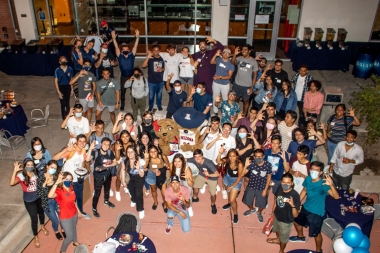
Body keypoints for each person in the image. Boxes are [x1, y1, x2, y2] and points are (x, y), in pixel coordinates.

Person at [289, 161, 339, 253]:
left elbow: (336, 197)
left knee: (316, 234)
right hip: (306, 207)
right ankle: (300, 237)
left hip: (316, 212)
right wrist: (296, 203)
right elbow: (304, 190)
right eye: (312, 169)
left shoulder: (324, 184)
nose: (313, 172)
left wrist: (331, 184)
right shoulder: (308, 179)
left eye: (316, 170)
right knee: (296, 222)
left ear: (320, 172)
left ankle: (319, 250)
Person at [10, 159, 48, 248]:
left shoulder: (36, 174)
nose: (30, 166)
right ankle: (35, 236)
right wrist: (15, 171)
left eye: (32, 165)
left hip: (38, 197)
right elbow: (12, 183)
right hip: (29, 200)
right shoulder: (21, 176)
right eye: (28, 165)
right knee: (34, 218)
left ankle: (42, 226)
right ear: (25, 166)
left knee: (41, 213)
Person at [52, 134, 91, 219]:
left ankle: (80, 211)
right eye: (80, 141)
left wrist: (83, 170)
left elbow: (83, 162)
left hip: (78, 178)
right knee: (68, 198)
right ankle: (68, 214)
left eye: (84, 141)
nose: (82, 143)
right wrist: (65, 150)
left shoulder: (83, 150)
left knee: (79, 196)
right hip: (68, 180)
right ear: (76, 141)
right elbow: (54, 158)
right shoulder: (71, 151)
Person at [48, 172, 82, 253]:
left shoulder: (71, 188)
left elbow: (74, 202)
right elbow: (50, 195)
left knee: (74, 227)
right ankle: (62, 251)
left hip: (74, 214)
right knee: (69, 236)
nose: (69, 181)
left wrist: (78, 211)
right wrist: (57, 182)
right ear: (62, 180)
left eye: (70, 179)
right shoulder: (59, 191)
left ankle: (75, 241)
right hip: (65, 217)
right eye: (66, 179)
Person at [267, 173, 300, 253]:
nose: (285, 185)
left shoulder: (295, 195)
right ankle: (278, 240)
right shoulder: (279, 188)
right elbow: (276, 199)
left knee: (284, 238)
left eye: (288, 183)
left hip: (286, 221)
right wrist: (273, 212)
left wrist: (292, 205)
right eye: (283, 182)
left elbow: (296, 215)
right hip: (277, 216)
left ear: (292, 183)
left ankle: (281, 250)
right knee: (276, 229)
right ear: (281, 182)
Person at [237, 149, 272, 222]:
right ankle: (252, 209)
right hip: (251, 186)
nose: (258, 158)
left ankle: (259, 212)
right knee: (247, 201)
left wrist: (265, 190)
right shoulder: (251, 164)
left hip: (262, 187)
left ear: (263, 156)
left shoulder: (267, 165)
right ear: (254, 157)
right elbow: (242, 174)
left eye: (260, 156)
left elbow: (269, 177)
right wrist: (246, 166)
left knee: (262, 204)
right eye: (256, 156)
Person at [86, 137, 117, 218]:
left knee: (107, 189)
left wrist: (109, 165)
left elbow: (115, 162)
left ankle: (106, 201)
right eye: (104, 144)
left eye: (108, 145)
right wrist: (90, 148)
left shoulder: (110, 152)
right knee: (97, 193)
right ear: (101, 144)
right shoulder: (95, 152)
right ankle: (94, 208)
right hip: (98, 176)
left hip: (107, 174)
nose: (106, 146)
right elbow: (87, 159)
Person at [112, 29, 140, 111]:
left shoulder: (132, 55)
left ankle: (135, 103)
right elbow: (116, 47)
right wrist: (113, 39)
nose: (125, 50)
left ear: (129, 50)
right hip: (124, 77)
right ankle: (122, 105)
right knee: (123, 92)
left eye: (126, 49)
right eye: (123, 49)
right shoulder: (120, 56)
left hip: (132, 76)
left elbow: (135, 46)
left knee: (134, 90)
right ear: (122, 51)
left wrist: (137, 38)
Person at [36, 160, 63, 240]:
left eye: (55, 168)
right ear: (47, 166)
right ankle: (56, 231)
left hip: (57, 200)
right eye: (52, 167)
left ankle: (63, 229)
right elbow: (39, 194)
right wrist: (45, 183)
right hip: (47, 203)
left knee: (62, 217)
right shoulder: (41, 178)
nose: (53, 169)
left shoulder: (56, 176)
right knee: (55, 220)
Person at [187, 149, 220, 214]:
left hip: (212, 178)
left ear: (202, 156)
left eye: (199, 156)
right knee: (195, 187)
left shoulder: (208, 163)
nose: (197, 158)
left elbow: (217, 174)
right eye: (195, 157)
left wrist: (209, 174)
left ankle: (213, 205)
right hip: (202, 175)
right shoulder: (194, 160)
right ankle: (195, 198)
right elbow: (185, 159)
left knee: (213, 194)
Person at [217, 149, 244, 224]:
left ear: (237, 156)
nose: (232, 158)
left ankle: (235, 214)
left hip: (236, 181)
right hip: (227, 178)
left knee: (233, 200)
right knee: (229, 193)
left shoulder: (240, 164)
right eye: (230, 156)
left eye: (234, 156)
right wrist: (220, 153)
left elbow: (240, 177)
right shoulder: (227, 160)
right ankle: (229, 204)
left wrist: (233, 186)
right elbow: (218, 161)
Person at [120, 145, 146, 219]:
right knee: (131, 191)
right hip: (130, 177)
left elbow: (142, 175)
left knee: (139, 194)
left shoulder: (140, 161)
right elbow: (123, 169)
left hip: (139, 177)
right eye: (128, 152)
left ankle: (140, 209)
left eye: (132, 152)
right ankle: (133, 200)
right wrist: (123, 181)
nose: (130, 154)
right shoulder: (124, 159)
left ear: (135, 152)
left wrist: (138, 168)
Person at [231, 44, 259, 115]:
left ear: (249, 51)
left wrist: (252, 87)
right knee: (236, 99)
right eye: (242, 49)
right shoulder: (240, 58)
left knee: (246, 101)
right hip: (237, 84)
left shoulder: (253, 61)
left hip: (247, 86)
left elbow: (255, 75)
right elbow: (232, 62)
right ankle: (235, 114)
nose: (243, 51)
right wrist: (235, 54)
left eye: (245, 50)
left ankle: (244, 116)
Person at [210, 48, 234, 115]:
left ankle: (225, 111)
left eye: (228, 53)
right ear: (222, 54)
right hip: (216, 83)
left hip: (225, 84)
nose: (226, 54)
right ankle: (215, 111)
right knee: (215, 97)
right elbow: (211, 62)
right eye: (224, 52)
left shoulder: (231, 63)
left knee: (225, 98)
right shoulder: (219, 59)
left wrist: (219, 77)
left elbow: (229, 76)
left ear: (229, 55)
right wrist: (215, 55)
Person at [145, 145, 169, 212]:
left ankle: (165, 204)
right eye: (151, 151)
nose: (153, 153)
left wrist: (161, 171)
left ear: (158, 151)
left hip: (161, 175)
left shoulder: (163, 156)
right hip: (151, 175)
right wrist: (146, 160)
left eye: (155, 151)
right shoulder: (148, 158)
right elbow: (144, 167)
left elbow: (168, 165)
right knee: (154, 190)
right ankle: (155, 202)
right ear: (149, 152)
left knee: (164, 193)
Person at [113, 130, 135, 201]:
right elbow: (117, 158)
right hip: (120, 160)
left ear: (129, 136)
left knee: (131, 176)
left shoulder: (132, 143)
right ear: (120, 138)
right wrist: (117, 150)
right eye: (123, 137)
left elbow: (134, 155)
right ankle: (117, 191)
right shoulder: (118, 144)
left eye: (127, 136)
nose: (125, 139)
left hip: (130, 160)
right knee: (119, 177)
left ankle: (127, 187)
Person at [142, 45, 165, 111]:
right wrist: (148, 57)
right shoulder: (150, 58)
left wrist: (162, 69)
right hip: (151, 81)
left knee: (159, 94)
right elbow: (143, 66)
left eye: (157, 50)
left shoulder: (162, 58)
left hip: (160, 80)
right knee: (151, 95)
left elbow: (166, 67)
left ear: (160, 51)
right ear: (152, 51)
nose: (156, 52)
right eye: (154, 50)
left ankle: (159, 105)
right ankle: (150, 106)